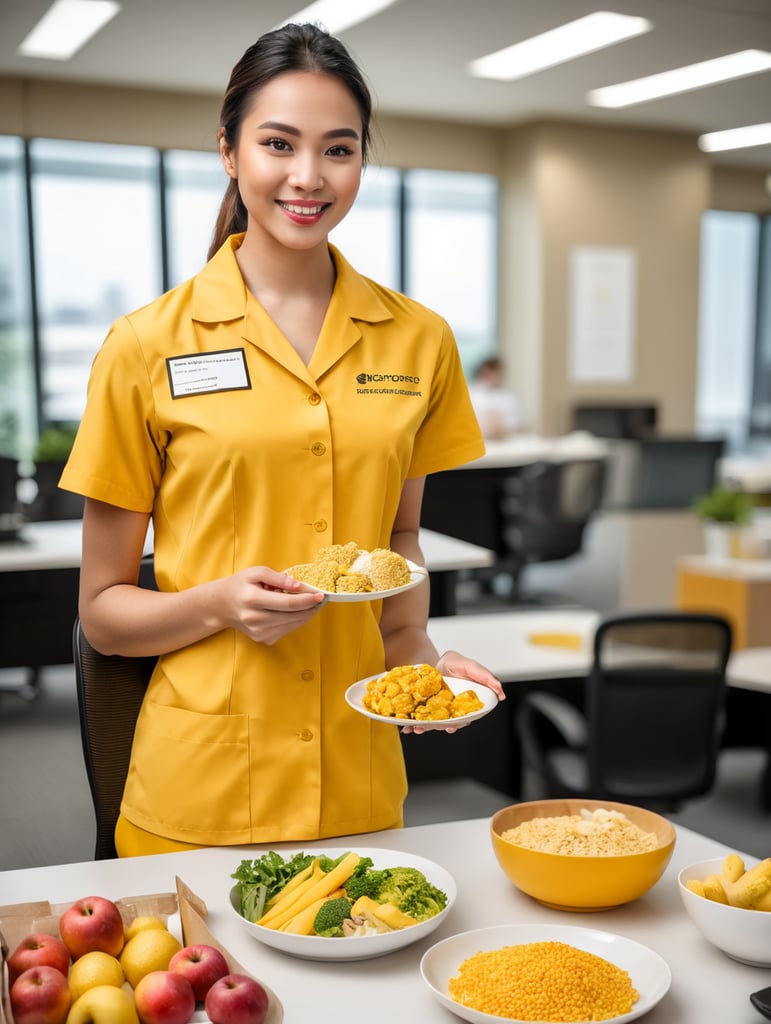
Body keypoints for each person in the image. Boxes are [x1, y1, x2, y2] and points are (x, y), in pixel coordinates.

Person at [60, 22, 504, 857]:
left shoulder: (419, 340)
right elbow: (104, 616)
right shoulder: (146, 344)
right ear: (229, 152)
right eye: (277, 144)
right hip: (202, 792)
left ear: (362, 161)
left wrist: (419, 659)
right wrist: (220, 604)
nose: (308, 177)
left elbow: (396, 541)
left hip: (359, 783)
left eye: (338, 149)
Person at [468, 356, 521, 440]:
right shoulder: (472, 393)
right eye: (487, 373)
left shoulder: (508, 396)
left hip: (504, 440)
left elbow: (515, 423)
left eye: (493, 372)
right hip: (478, 439)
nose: (491, 376)